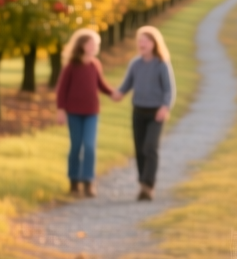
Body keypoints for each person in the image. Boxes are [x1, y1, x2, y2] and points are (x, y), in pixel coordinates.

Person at [112, 26, 175, 201]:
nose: (142, 43)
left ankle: (148, 185)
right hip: (138, 111)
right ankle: (142, 184)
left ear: (154, 43)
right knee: (139, 149)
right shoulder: (135, 64)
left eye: (146, 40)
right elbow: (126, 85)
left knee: (150, 147)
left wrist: (165, 107)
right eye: (140, 40)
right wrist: (117, 94)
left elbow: (169, 90)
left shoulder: (161, 64)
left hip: (156, 113)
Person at [54, 28, 117, 198]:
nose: (95, 46)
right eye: (91, 44)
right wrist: (61, 110)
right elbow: (61, 90)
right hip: (73, 112)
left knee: (89, 146)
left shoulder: (95, 65)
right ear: (82, 45)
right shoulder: (71, 66)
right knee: (76, 146)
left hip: (91, 112)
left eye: (96, 44)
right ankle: (74, 181)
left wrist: (113, 93)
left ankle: (88, 181)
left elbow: (101, 85)